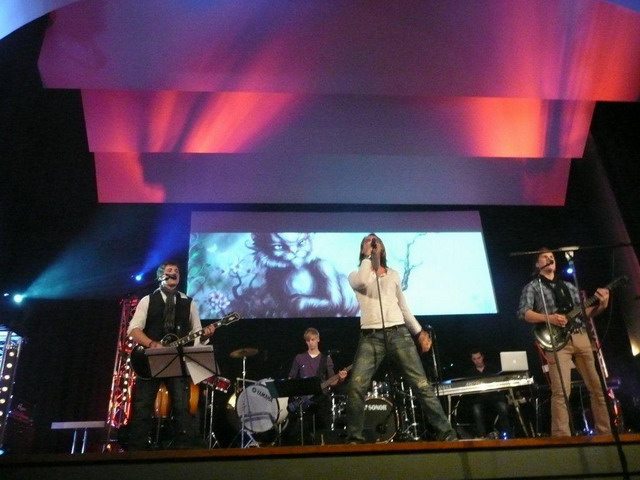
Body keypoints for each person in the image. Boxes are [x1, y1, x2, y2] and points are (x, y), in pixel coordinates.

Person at [345, 233, 457, 443]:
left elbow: (403, 307)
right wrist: (368, 257)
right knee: (356, 387)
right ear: (362, 249)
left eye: (376, 241)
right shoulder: (355, 275)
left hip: (399, 334)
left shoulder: (393, 275)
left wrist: (419, 332)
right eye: (368, 241)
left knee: (421, 384)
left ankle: (446, 433)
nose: (373, 243)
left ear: (383, 249)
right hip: (370, 337)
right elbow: (363, 281)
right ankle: (355, 438)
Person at [517, 248, 611, 437]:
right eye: (545, 257)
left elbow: (583, 314)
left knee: (597, 388)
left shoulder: (568, 286)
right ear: (537, 263)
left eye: (552, 256)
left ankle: (605, 433)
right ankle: (561, 436)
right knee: (561, 391)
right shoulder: (533, 287)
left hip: (580, 336)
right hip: (557, 341)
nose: (550, 258)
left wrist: (602, 305)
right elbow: (524, 313)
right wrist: (549, 318)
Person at [127, 261, 216, 449]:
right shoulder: (147, 300)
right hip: (150, 360)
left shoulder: (188, 302)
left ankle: (184, 448)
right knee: (143, 405)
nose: (174, 272)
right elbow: (134, 329)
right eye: (169, 271)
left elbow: (197, 331)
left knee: (182, 406)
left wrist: (205, 336)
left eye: (176, 271)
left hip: (177, 360)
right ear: (161, 276)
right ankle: (136, 449)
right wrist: (151, 344)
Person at [286, 327, 348, 444]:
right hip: (304, 401)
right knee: (303, 432)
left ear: (318, 339)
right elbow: (291, 378)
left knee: (323, 430)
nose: (311, 343)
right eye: (308, 340)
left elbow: (332, 381)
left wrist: (341, 378)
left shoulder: (326, 359)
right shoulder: (299, 358)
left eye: (313, 340)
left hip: (321, 399)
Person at [464, 349, 511, 438]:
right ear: (472, 360)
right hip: (479, 400)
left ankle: (507, 435)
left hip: (494, 398)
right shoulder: (470, 373)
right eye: (474, 359)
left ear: (482, 357)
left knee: (503, 408)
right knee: (476, 410)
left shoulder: (493, 369)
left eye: (479, 358)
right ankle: (482, 436)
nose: (477, 361)